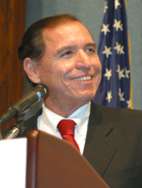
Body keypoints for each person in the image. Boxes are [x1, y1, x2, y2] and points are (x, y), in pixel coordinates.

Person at [13, 14, 142, 187]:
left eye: (90, 50)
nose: (86, 63)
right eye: (67, 53)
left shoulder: (136, 129)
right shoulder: (13, 145)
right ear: (33, 70)